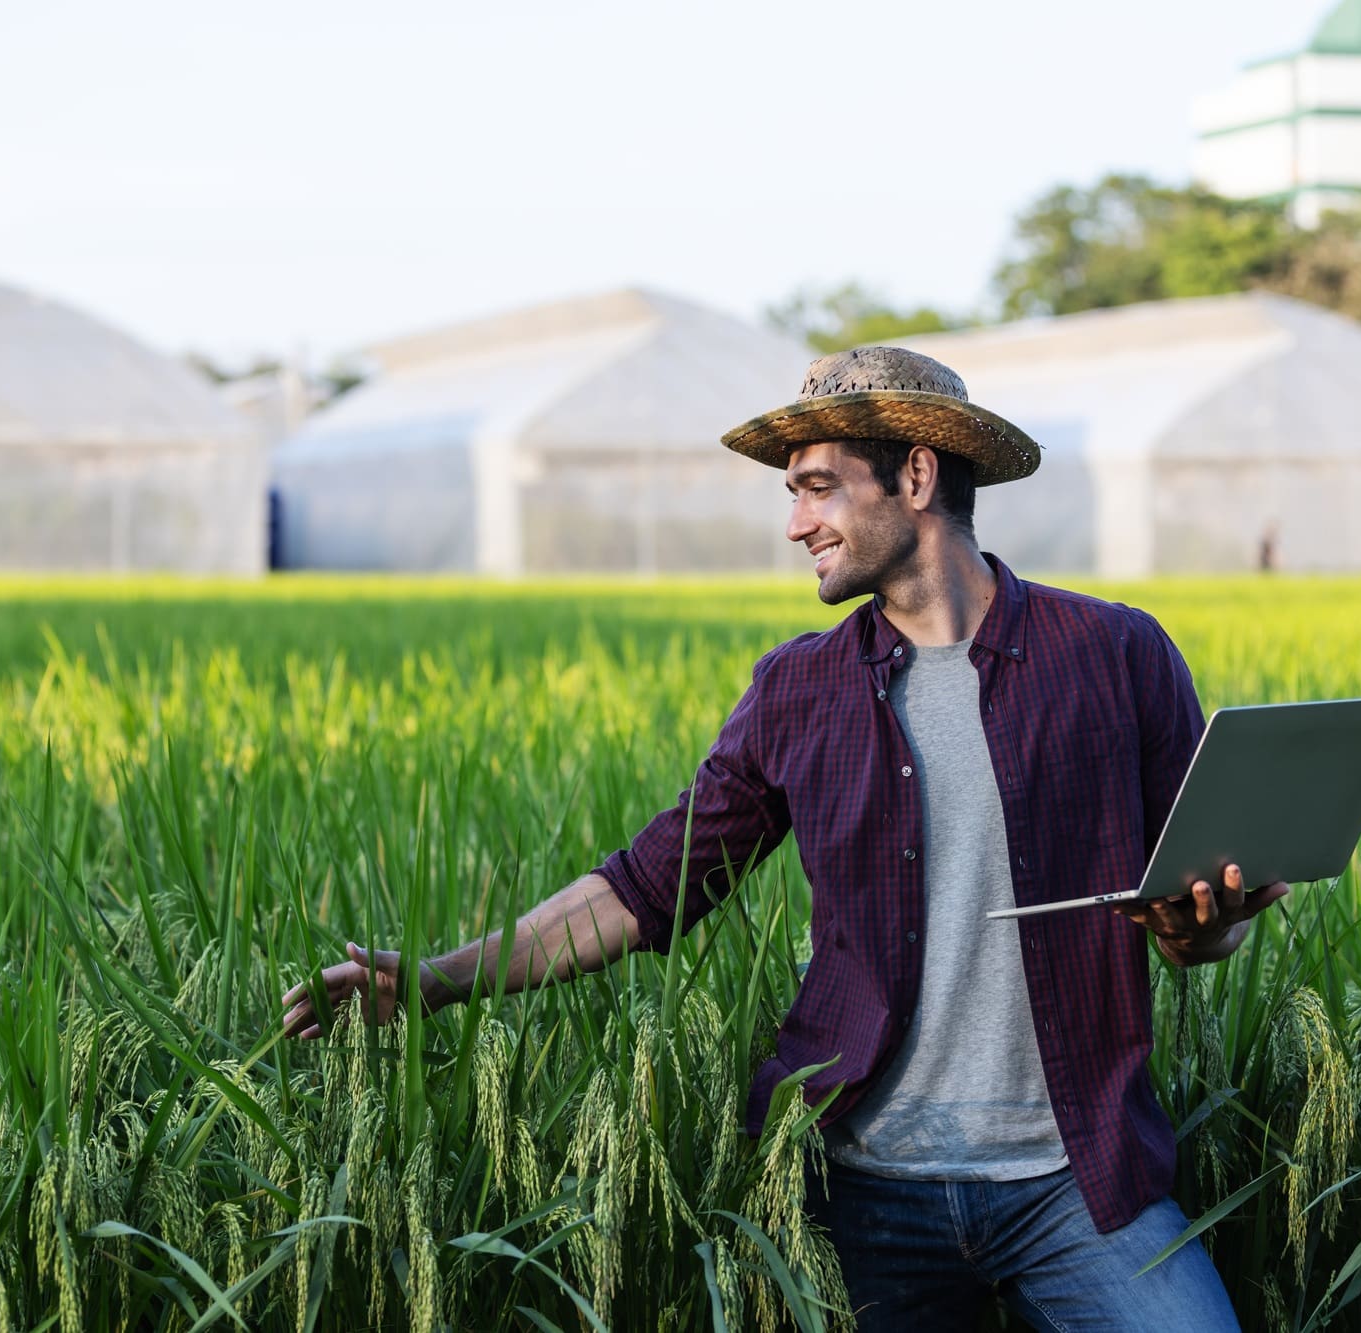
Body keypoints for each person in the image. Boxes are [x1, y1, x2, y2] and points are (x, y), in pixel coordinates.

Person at [281, 346, 1288, 1330]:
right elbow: (643, 889)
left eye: (815, 488)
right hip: (862, 1193)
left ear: (917, 475)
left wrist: (1209, 928)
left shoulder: (1112, 654)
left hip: (1079, 1181)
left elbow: (1188, 913)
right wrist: (438, 981)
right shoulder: (798, 689)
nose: (795, 523)